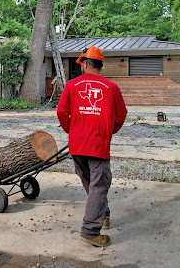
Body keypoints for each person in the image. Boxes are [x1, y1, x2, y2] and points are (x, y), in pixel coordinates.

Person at [56, 46, 127, 248]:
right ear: (100, 65)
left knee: (92, 184)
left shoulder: (71, 86)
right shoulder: (111, 88)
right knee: (99, 185)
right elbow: (121, 116)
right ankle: (89, 231)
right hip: (98, 145)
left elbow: (61, 112)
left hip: (77, 145)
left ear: (85, 64)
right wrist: (108, 131)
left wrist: (73, 130)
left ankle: (103, 215)